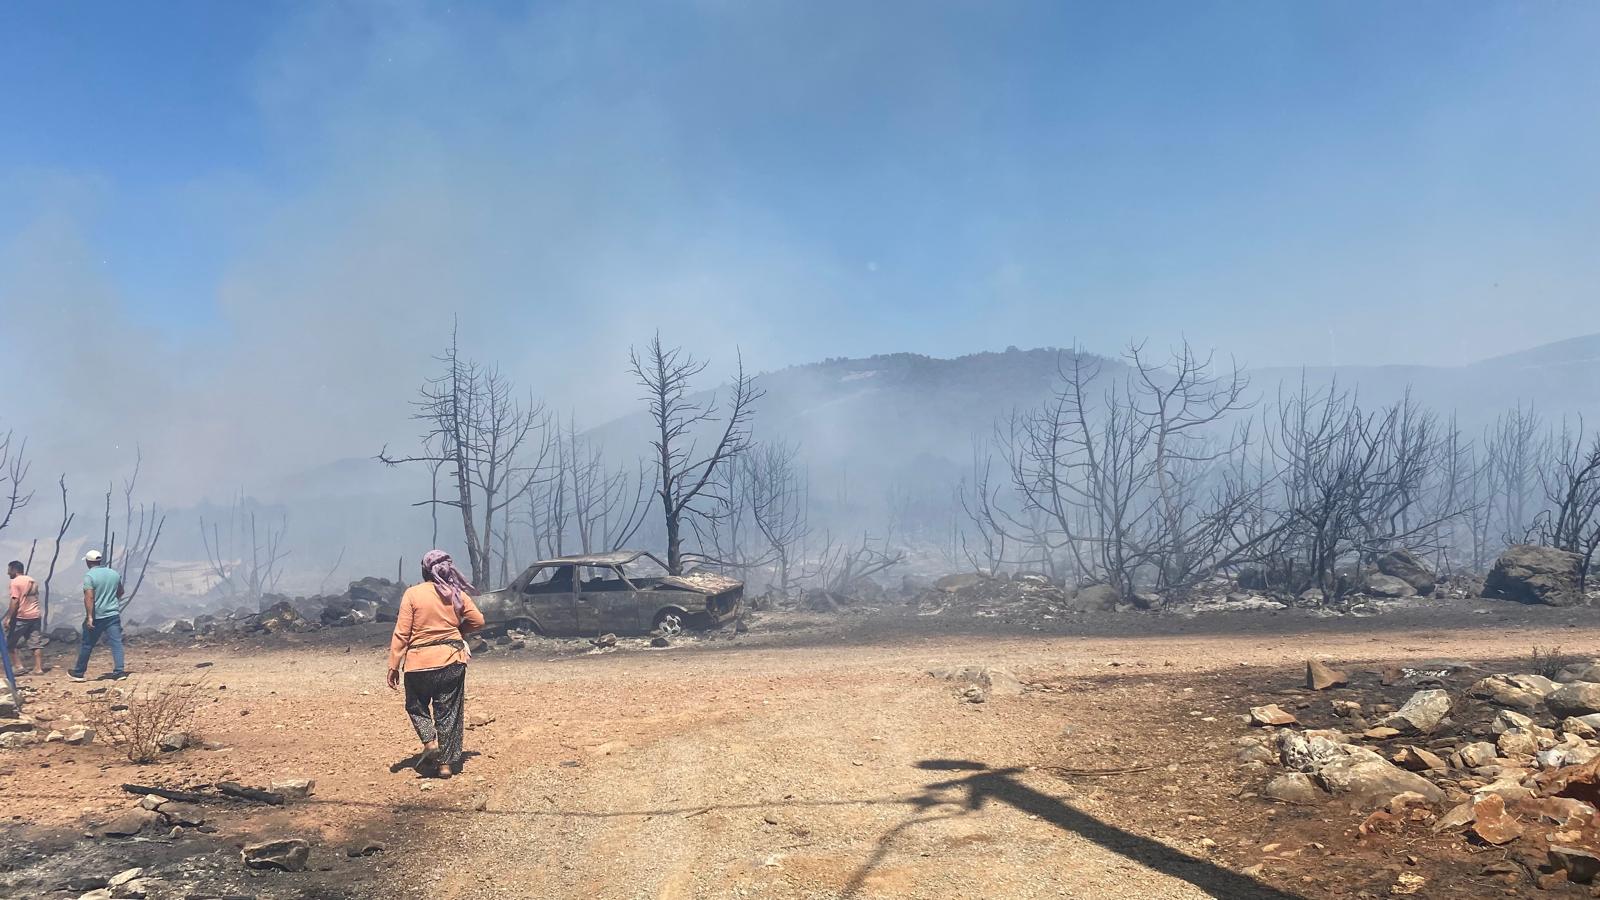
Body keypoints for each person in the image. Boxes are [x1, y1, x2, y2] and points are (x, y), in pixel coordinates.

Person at [387, 550, 484, 778]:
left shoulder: (412, 594)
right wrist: (459, 631)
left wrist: (393, 664)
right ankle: (445, 766)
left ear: (424, 571)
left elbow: (402, 632)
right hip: (451, 661)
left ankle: (430, 742)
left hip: (418, 664)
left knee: (416, 705)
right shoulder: (456, 593)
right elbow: (478, 621)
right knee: (448, 713)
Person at [70, 550, 125, 682]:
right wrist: (112, 601)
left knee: (87, 644)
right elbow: (121, 591)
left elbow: (89, 597)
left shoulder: (90, 576)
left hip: (97, 616)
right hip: (112, 614)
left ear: (88, 562)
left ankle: (79, 673)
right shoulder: (114, 573)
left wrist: (89, 616)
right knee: (116, 643)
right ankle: (119, 672)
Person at [5, 561, 44, 676]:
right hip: (35, 615)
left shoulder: (15, 582)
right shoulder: (32, 580)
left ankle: (18, 666)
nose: (7, 573)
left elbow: (15, 601)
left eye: (9, 570)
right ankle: (38, 668)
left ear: (14, 570)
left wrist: (8, 618)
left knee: (10, 642)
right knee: (36, 643)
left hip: (21, 617)